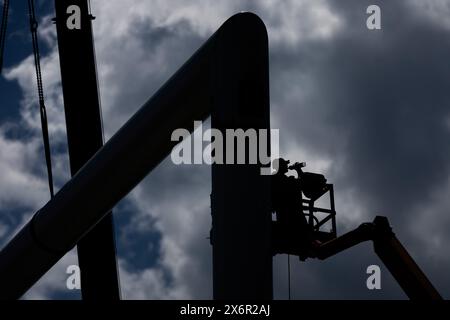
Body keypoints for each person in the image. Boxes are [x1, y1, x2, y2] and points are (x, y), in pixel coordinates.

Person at [271, 158, 312, 252]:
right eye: (284, 164)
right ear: (280, 166)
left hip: (286, 215)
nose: (286, 166)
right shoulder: (280, 180)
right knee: (304, 235)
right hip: (292, 216)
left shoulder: (274, 179)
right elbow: (301, 183)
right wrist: (298, 170)